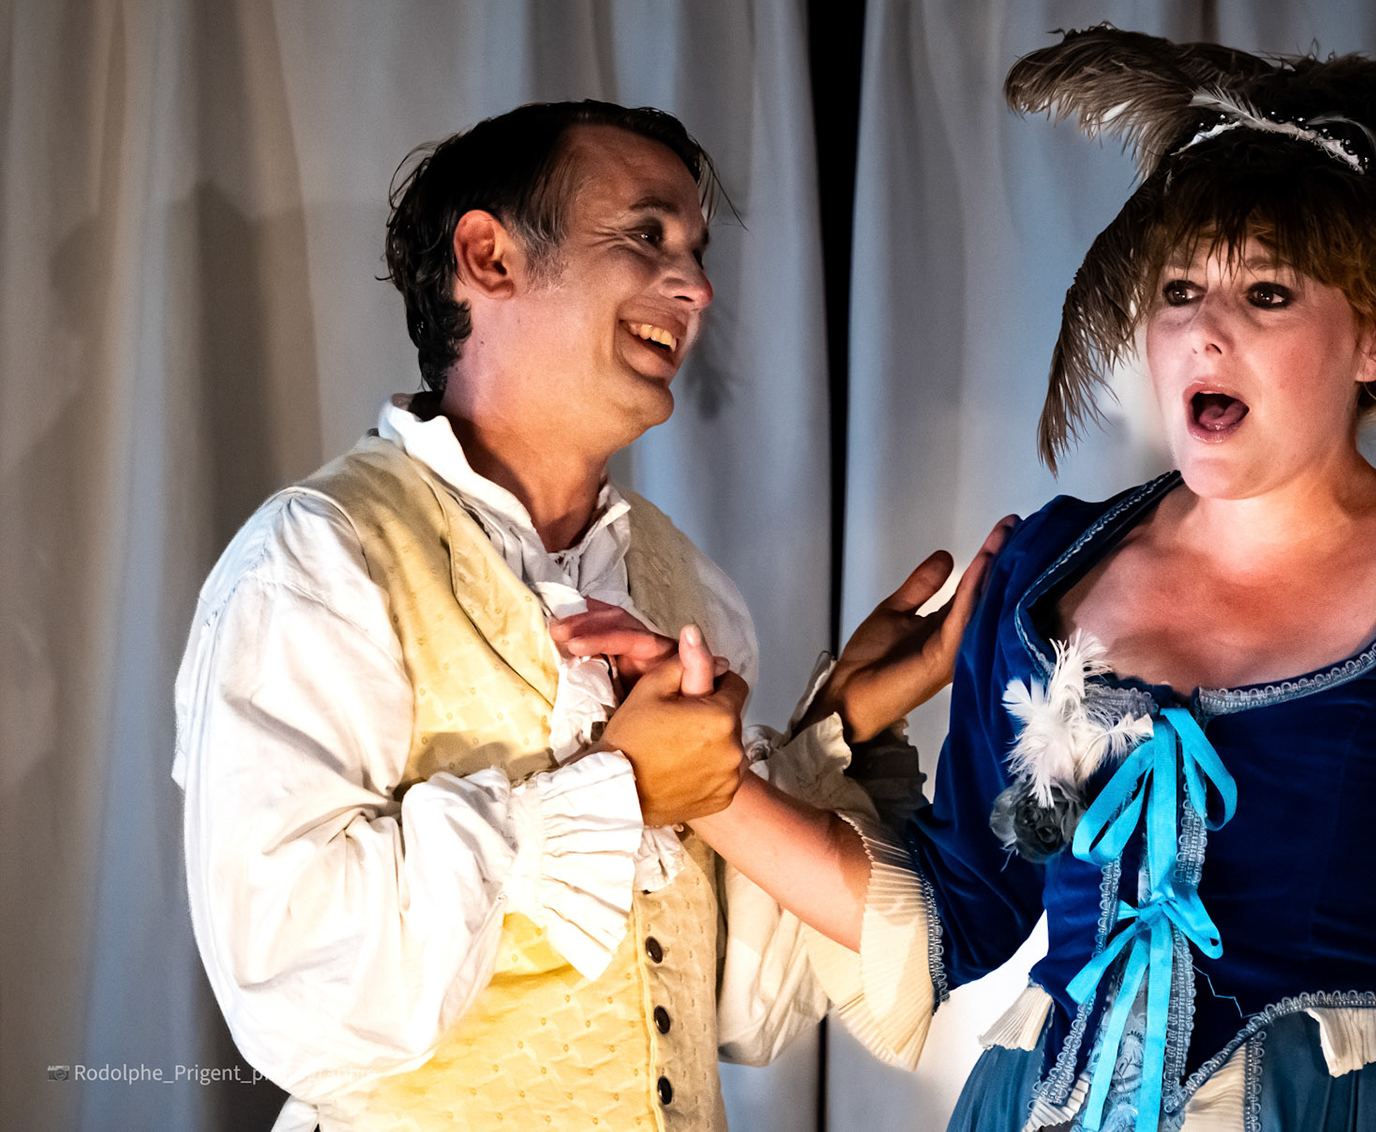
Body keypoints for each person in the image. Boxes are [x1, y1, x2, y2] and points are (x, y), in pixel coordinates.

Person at [666, 29, 1376, 1132]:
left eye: (1268, 293)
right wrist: (710, 784)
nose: (1205, 332)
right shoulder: (1044, 571)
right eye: (1180, 289)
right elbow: (958, 912)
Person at [172, 99, 1007, 1132]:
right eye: (647, 235)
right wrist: (611, 794)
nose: (696, 288)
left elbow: (741, 1010)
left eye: (696, 253)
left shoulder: (690, 589)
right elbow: (292, 988)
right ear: (489, 257)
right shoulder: (319, 560)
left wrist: (842, 724)